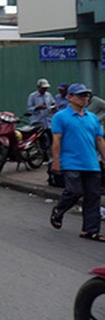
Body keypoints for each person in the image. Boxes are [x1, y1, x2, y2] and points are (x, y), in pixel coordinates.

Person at [50, 83, 105, 241]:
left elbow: (99, 140)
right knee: (74, 191)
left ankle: (90, 230)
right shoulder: (60, 117)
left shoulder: (92, 118)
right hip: (70, 162)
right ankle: (58, 211)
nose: (84, 98)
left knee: (93, 196)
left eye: (86, 96)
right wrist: (56, 161)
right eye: (80, 95)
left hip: (91, 163)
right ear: (70, 97)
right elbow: (57, 140)